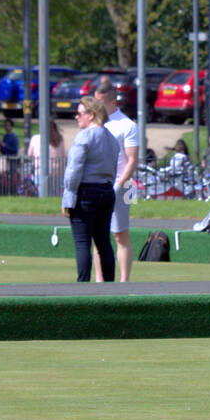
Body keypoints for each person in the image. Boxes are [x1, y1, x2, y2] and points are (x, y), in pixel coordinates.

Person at [61, 96, 120, 282]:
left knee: (82, 243)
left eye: (79, 114)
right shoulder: (112, 139)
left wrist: (68, 199)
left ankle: (83, 287)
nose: (76, 117)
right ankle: (110, 287)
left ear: (91, 115)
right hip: (106, 191)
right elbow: (112, 168)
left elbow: (74, 170)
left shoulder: (84, 136)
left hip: (86, 192)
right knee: (104, 243)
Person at [93, 78, 139, 283]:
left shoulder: (127, 125)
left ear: (112, 102)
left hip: (121, 186)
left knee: (120, 234)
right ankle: (99, 280)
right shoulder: (95, 124)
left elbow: (132, 160)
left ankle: (124, 280)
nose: (97, 107)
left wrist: (118, 186)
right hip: (98, 185)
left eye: (100, 103)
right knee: (98, 237)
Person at [26, 119, 66, 197]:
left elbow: (29, 155)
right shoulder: (59, 139)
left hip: (40, 171)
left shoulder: (35, 138)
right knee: (55, 195)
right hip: (58, 173)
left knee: (42, 194)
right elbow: (63, 156)